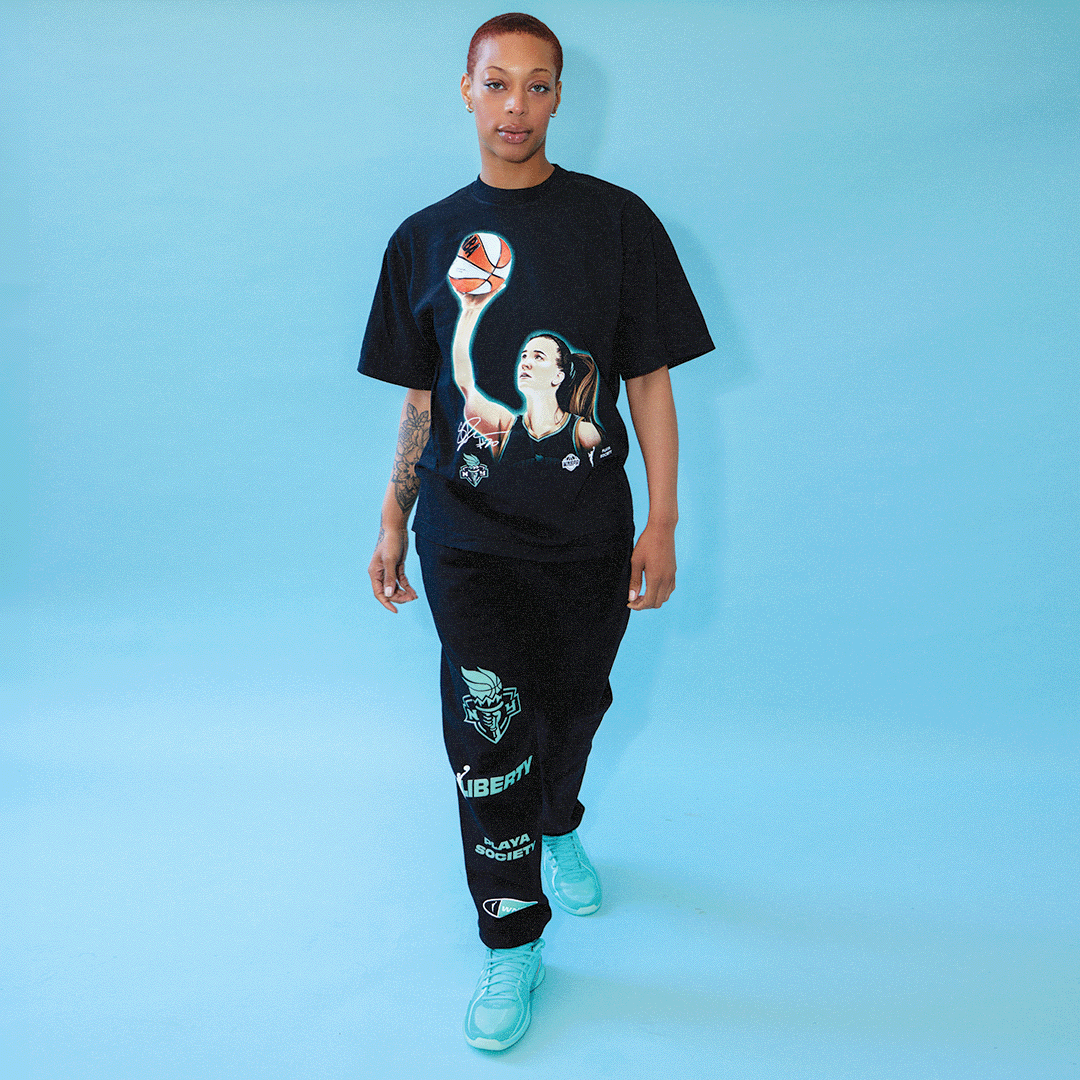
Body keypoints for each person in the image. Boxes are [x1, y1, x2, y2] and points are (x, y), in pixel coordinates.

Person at [358, 12, 713, 1052]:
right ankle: (510, 937)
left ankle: (558, 819)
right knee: (487, 733)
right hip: (465, 540)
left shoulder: (618, 224)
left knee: (572, 708)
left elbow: (649, 382)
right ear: (466, 91)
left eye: (538, 85)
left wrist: (663, 521)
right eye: (497, 83)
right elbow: (427, 399)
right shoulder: (423, 240)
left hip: (588, 537)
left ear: (560, 97)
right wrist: (392, 515)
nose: (516, 105)